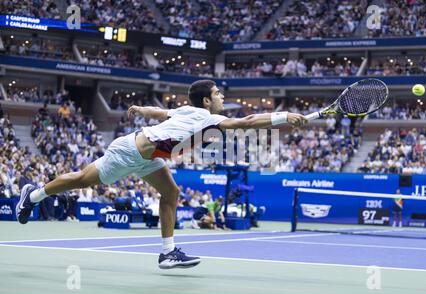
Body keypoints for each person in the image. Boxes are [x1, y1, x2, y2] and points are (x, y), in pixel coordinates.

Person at [16, 79, 308, 269]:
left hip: (150, 157)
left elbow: (160, 112)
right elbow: (246, 122)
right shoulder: (210, 117)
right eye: (218, 93)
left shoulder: (188, 112)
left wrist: (140, 108)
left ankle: (167, 253)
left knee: (171, 193)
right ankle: (35, 194)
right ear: (206, 101)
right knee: (81, 180)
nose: (221, 97)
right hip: (129, 152)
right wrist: (284, 117)